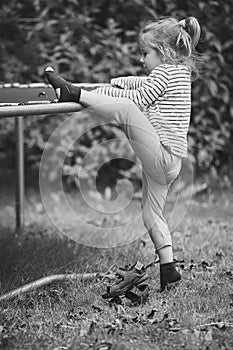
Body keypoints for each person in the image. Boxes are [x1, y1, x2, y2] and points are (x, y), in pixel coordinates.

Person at [44, 16, 201, 294]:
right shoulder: (178, 73)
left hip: (161, 154)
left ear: (163, 53)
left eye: (145, 54)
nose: (142, 60)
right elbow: (136, 83)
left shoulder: (163, 74)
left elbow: (138, 97)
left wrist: (87, 93)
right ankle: (169, 269)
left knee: (128, 110)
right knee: (152, 214)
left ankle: (72, 91)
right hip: (171, 163)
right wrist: (107, 87)